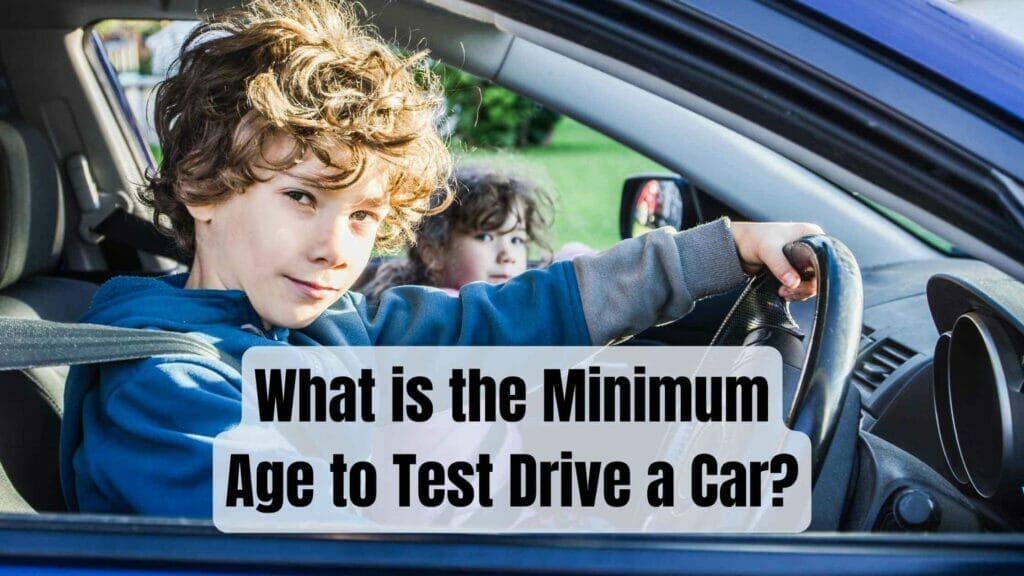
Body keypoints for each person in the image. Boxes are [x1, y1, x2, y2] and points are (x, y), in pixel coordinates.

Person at [60, 0, 821, 517]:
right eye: (301, 199)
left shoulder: (335, 327)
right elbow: (299, 510)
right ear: (201, 187)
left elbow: (513, 317)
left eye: (362, 215)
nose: (336, 249)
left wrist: (722, 251)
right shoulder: (157, 383)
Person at [360, 163, 558, 302]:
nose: (507, 256)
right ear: (433, 253)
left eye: (516, 240)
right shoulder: (447, 310)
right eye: (485, 237)